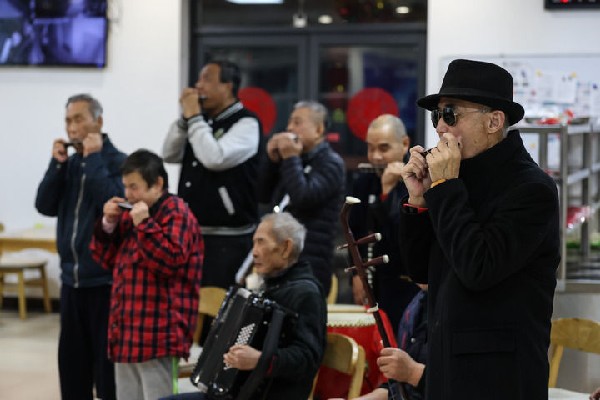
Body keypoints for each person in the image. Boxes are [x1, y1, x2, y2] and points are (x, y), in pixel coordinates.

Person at [398, 59, 560, 399]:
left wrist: (445, 187)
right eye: (437, 115)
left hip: (499, 377)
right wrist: (419, 201)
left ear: (494, 121)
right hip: (446, 367)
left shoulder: (531, 189)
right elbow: (421, 273)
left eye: (451, 114)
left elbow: (478, 268)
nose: (440, 127)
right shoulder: (458, 179)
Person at [161, 212, 327, 400]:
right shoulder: (269, 286)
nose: (254, 252)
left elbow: (308, 359)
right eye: (254, 243)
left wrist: (259, 360)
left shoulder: (306, 293)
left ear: (286, 248)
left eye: (261, 242)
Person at [90, 149, 203, 400]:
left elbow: (169, 262)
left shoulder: (176, 212)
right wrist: (108, 223)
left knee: (160, 398)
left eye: (134, 187)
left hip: (159, 334)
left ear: (158, 184)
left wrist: (144, 224)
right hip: (126, 330)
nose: (128, 194)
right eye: (125, 187)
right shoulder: (133, 214)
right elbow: (104, 260)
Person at [35, 93, 126, 400]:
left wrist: (94, 159)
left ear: (98, 121)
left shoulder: (117, 162)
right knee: (73, 370)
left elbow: (112, 204)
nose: (72, 127)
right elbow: (44, 205)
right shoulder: (70, 164)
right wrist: (56, 165)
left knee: (106, 372)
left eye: (78, 119)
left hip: (105, 282)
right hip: (70, 281)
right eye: (67, 121)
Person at [162, 60, 262, 290]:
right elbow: (169, 154)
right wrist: (185, 120)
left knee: (218, 303)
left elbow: (215, 158)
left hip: (227, 239)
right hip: (190, 231)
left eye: (206, 79)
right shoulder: (201, 121)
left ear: (227, 86)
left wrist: (194, 118)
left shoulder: (246, 122)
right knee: (190, 302)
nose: (198, 86)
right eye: (198, 79)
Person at [258, 100, 345, 296]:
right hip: (280, 257)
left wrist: (290, 158)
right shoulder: (294, 159)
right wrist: (271, 161)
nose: (290, 128)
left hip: (311, 262)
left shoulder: (331, 163)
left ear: (319, 129)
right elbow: (262, 196)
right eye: (290, 122)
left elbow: (303, 197)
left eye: (297, 122)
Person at [349, 114, 420, 334]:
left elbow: (401, 237)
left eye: (384, 148)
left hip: (406, 284)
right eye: (371, 148)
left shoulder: (418, 182)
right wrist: (356, 274)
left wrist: (387, 192)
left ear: (405, 144)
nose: (376, 156)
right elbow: (355, 231)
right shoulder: (364, 182)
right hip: (372, 281)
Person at [356, 284, 428, 400]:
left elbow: (454, 388)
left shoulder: (451, 308)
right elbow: (397, 388)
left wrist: (413, 372)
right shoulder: (417, 305)